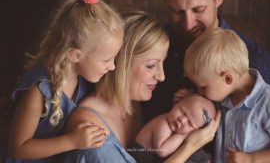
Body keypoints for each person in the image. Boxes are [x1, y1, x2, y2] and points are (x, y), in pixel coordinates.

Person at [140, 0, 270, 161]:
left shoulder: (256, 64)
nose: (188, 24)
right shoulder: (157, 47)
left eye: (199, 9)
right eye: (177, 11)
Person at [61, 10, 221, 163]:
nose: (161, 76)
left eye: (162, 64)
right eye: (151, 66)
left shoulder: (133, 104)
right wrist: (190, 146)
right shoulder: (90, 128)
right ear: (120, 63)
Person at [0, 0, 124, 163]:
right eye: (106, 60)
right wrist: (72, 141)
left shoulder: (83, 78)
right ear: (75, 56)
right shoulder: (39, 91)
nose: (112, 67)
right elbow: (18, 148)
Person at [184, 28, 270, 163]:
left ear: (228, 79)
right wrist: (188, 104)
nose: (200, 91)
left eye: (203, 87)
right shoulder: (223, 96)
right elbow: (207, 121)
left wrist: (251, 159)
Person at [131, 95, 216, 163]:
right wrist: (183, 136)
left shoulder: (173, 125)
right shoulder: (163, 123)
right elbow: (161, 151)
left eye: (190, 123)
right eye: (183, 111)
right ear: (176, 103)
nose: (182, 120)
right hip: (139, 156)